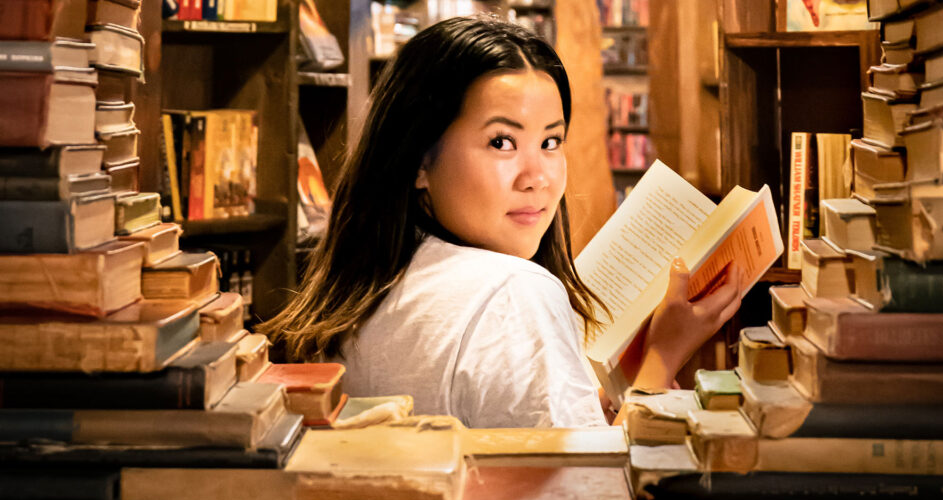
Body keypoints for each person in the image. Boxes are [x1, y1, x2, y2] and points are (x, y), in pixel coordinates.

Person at [258, 15, 743, 428]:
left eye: (551, 143)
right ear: (419, 162)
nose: (537, 178)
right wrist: (662, 358)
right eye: (501, 143)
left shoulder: (363, 286)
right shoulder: (514, 292)